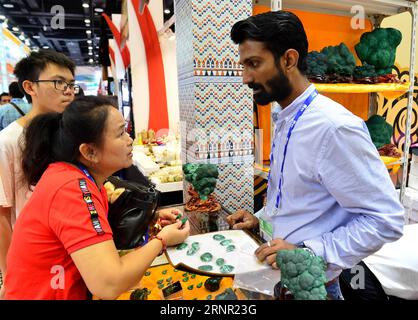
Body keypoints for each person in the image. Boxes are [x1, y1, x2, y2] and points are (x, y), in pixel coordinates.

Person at [226, 11, 404, 300]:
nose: (246, 77)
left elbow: (386, 219)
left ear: (288, 59)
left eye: (254, 64)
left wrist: (309, 252)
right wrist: (260, 219)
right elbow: (300, 199)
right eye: (244, 65)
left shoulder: (334, 128)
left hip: (312, 285)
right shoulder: (285, 116)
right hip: (277, 275)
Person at [4, 96, 190, 300]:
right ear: (89, 152)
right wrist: (162, 240)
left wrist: (151, 220)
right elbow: (109, 283)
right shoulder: (70, 188)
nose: (129, 140)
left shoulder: (80, 179)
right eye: (120, 133)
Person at [0, 49, 77, 298]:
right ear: (29, 87)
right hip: (35, 264)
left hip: (75, 253)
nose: (68, 90)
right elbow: (2, 213)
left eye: (71, 84)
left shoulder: (70, 134)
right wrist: (11, 275)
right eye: (58, 82)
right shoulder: (8, 141)